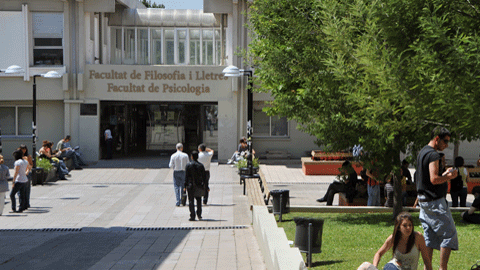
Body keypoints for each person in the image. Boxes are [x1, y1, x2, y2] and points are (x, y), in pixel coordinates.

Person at [415, 126, 458, 270]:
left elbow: (428, 177)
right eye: (445, 141)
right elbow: (434, 179)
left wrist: (444, 174)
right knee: (449, 235)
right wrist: (449, 177)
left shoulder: (422, 152)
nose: (446, 145)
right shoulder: (433, 155)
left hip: (424, 202)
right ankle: (442, 268)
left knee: (430, 238)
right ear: (437, 139)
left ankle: (428, 268)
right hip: (435, 202)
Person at [357, 212, 432, 270]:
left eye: (410, 225)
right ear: (399, 227)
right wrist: (375, 267)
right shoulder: (393, 238)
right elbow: (379, 253)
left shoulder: (418, 237)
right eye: (405, 225)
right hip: (393, 267)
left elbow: (426, 260)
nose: (408, 228)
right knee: (365, 265)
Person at [185, 151, 207, 221]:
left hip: (190, 185)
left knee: (191, 200)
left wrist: (184, 186)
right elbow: (204, 177)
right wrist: (206, 186)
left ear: (191, 157)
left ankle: (192, 215)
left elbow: (186, 176)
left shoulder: (188, 165)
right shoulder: (201, 165)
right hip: (199, 185)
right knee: (199, 200)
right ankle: (199, 214)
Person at [18, 144, 33, 209]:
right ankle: (21, 203)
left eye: (25, 149)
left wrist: (28, 171)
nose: (23, 150)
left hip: (27, 174)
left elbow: (31, 164)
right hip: (20, 174)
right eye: (22, 149)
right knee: (19, 190)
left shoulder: (28, 156)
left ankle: (27, 203)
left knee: (27, 189)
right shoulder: (18, 156)